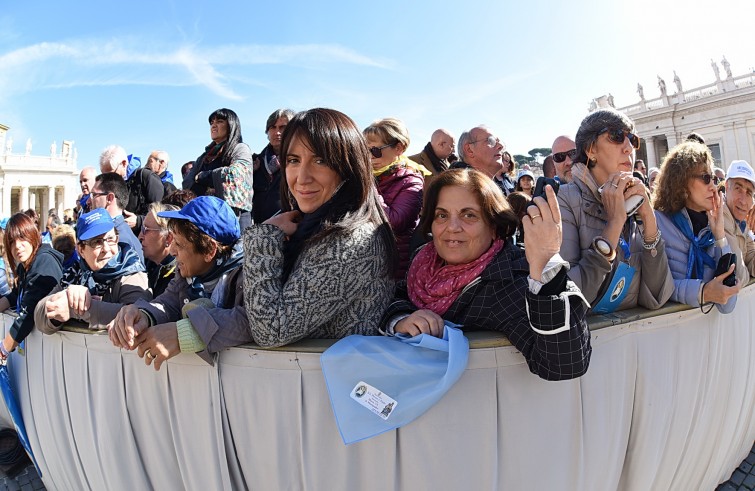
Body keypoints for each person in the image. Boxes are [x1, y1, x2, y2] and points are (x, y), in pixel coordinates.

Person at [380, 168, 591, 381]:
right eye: (442, 215)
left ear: (494, 227)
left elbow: (565, 365)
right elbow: (394, 298)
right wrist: (401, 320)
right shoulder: (423, 262)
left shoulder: (510, 280)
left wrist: (547, 268)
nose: (452, 227)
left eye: (469, 215)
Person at [243, 108, 397, 347]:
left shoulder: (352, 239)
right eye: (293, 160)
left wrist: (264, 238)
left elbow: (270, 330)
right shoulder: (308, 226)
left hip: (340, 383)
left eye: (320, 160)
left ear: (348, 166)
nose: (302, 177)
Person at [109, 196, 245, 369]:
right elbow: (168, 303)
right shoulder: (186, 274)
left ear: (209, 250)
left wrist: (186, 333)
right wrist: (142, 315)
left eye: (179, 244)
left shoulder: (246, 275)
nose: (172, 251)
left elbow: (248, 320)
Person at [558, 108, 674, 312]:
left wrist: (649, 222)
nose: (629, 147)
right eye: (617, 136)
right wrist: (614, 225)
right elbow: (568, 303)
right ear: (590, 150)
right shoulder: (564, 200)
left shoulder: (636, 199)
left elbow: (658, 296)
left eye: (632, 139)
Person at [654, 141, 740, 313]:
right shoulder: (658, 222)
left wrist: (720, 237)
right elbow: (657, 288)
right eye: (706, 178)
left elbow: (728, 304)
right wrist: (703, 292)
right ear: (682, 181)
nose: (713, 187)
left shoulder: (711, 228)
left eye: (714, 179)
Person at [35, 208, 150, 333]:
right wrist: (63, 299)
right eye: (97, 242)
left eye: (111, 239)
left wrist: (79, 307)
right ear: (81, 250)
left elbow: (137, 315)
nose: (106, 248)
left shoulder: (131, 272)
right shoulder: (74, 274)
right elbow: (39, 314)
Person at [364, 117, 427, 279]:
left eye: (375, 150)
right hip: (368, 262)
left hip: (393, 267)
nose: (369, 157)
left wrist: (367, 186)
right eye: (364, 150)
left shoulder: (411, 180)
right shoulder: (373, 176)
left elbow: (395, 222)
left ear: (399, 148)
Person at [0, 213, 63, 359]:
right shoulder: (26, 265)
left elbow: (28, 314)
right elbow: (15, 295)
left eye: (22, 238)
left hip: (55, 350)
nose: (17, 246)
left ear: (33, 235)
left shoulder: (44, 261)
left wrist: (3, 349)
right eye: (12, 242)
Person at [184, 108, 254, 230]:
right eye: (211, 123)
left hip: (234, 216)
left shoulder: (240, 149)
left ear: (231, 125)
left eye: (220, 121)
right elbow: (187, 182)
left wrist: (203, 177)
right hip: (206, 216)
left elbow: (236, 174)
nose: (214, 126)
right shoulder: (204, 157)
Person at [100, 144, 164, 234]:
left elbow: (161, 213)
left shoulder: (147, 178)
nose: (109, 180)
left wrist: (139, 221)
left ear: (124, 164)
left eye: (111, 174)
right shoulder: (115, 184)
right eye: (105, 176)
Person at [89, 173, 145, 264]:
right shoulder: (121, 232)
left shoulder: (119, 240)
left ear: (109, 198)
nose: (89, 201)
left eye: (94, 195)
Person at [252, 109, 295, 224]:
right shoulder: (256, 161)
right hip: (260, 228)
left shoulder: (300, 160)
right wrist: (249, 173)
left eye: (283, 127)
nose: (277, 132)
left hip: (290, 228)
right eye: (273, 127)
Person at [722, 160, 755, 284]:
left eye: (749, 193)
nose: (743, 201)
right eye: (738, 189)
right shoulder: (720, 212)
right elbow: (739, 277)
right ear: (726, 187)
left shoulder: (743, 220)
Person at [452, 126, 511, 194]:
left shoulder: (486, 189)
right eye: (491, 141)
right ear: (469, 150)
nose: (500, 146)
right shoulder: (458, 190)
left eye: (500, 141)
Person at [139, 202, 177, 297]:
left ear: (168, 238)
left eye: (146, 230)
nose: (140, 236)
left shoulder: (178, 277)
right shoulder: (149, 264)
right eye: (141, 228)